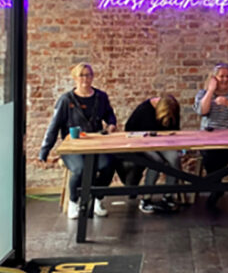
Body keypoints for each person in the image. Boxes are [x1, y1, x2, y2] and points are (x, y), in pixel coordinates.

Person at [39, 62, 117, 219]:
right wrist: (44, 151)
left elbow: (109, 114)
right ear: (75, 78)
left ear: (92, 77)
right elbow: (54, 127)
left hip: (95, 145)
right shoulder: (66, 100)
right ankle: (74, 202)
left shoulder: (100, 97)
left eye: (88, 75)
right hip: (72, 147)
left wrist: (111, 124)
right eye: (81, 75)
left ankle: (97, 199)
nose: (85, 78)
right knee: (80, 169)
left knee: (108, 165)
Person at [193, 63, 228, 209]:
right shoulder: (203, 93)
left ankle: (216, 188)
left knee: (214, 157)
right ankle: (217, 188)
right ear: (214, 78)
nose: (225, 79)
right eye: (221, 76)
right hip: (208, 138)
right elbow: (201, 111)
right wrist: (210, 91)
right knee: (209, 154)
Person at [118, 94, 181, 214]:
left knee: (174, 158)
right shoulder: (143, 110)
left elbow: (176, 129)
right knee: (156, 161)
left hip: (164, 142)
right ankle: (146, 198)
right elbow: (129, 128)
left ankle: (169, 195)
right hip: (144, 143)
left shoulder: (173, 107)